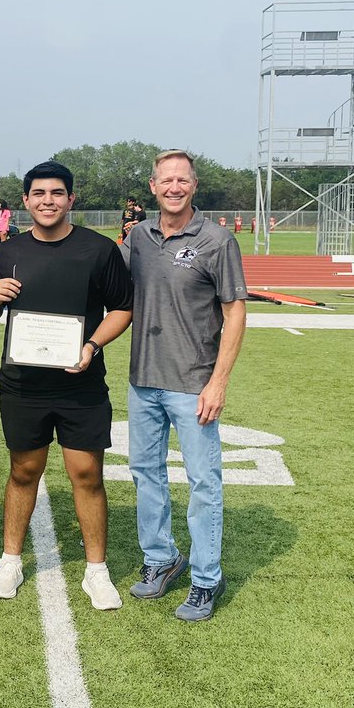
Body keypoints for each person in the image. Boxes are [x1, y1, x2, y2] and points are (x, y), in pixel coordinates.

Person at [0, 161, 133, 609]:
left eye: (57, 193)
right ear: (25, 200)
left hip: (80, 384)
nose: (48, 201)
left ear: (71, 199)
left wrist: (92, 346)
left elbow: (123, 307)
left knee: (87, 475)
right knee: (24, 472)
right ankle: (11, 560)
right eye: (39, 193)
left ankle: (96, 571)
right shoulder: (8, 251)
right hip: (23, 384)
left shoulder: (98, 250)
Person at [124, 149, 248, 622]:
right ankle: (160, 558)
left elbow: (235, 311)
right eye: (165, 180)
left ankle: (205, 578)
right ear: (153, 187)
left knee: (203, 483)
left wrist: (218, 382)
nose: (174, 187)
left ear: (194, 186)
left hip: (194, 384)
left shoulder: (217, 241)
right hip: (143, 382)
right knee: (146, 474)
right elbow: (106, 284)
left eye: (183, 180)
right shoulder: (139, 237)